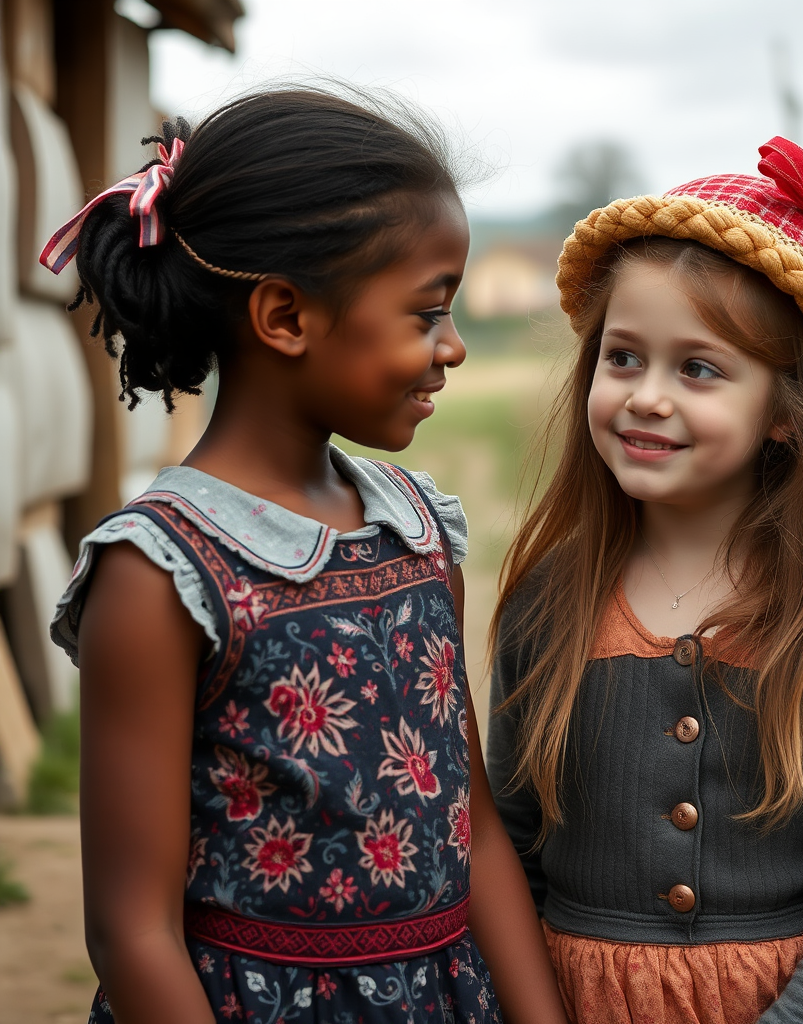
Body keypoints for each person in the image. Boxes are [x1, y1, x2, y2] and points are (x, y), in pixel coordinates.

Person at [44, 89, 567, 1024]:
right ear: (286, 317)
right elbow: (133, 933)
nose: (451, 346)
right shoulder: (162, 575)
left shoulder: (417, 530)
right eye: (425, 312)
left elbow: (474, 833)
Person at [486, 137, 803, 1024]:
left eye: (697, 368)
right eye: (622, 357)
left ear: (785, 413)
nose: (646, 395)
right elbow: (508, 858)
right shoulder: (546, 606)